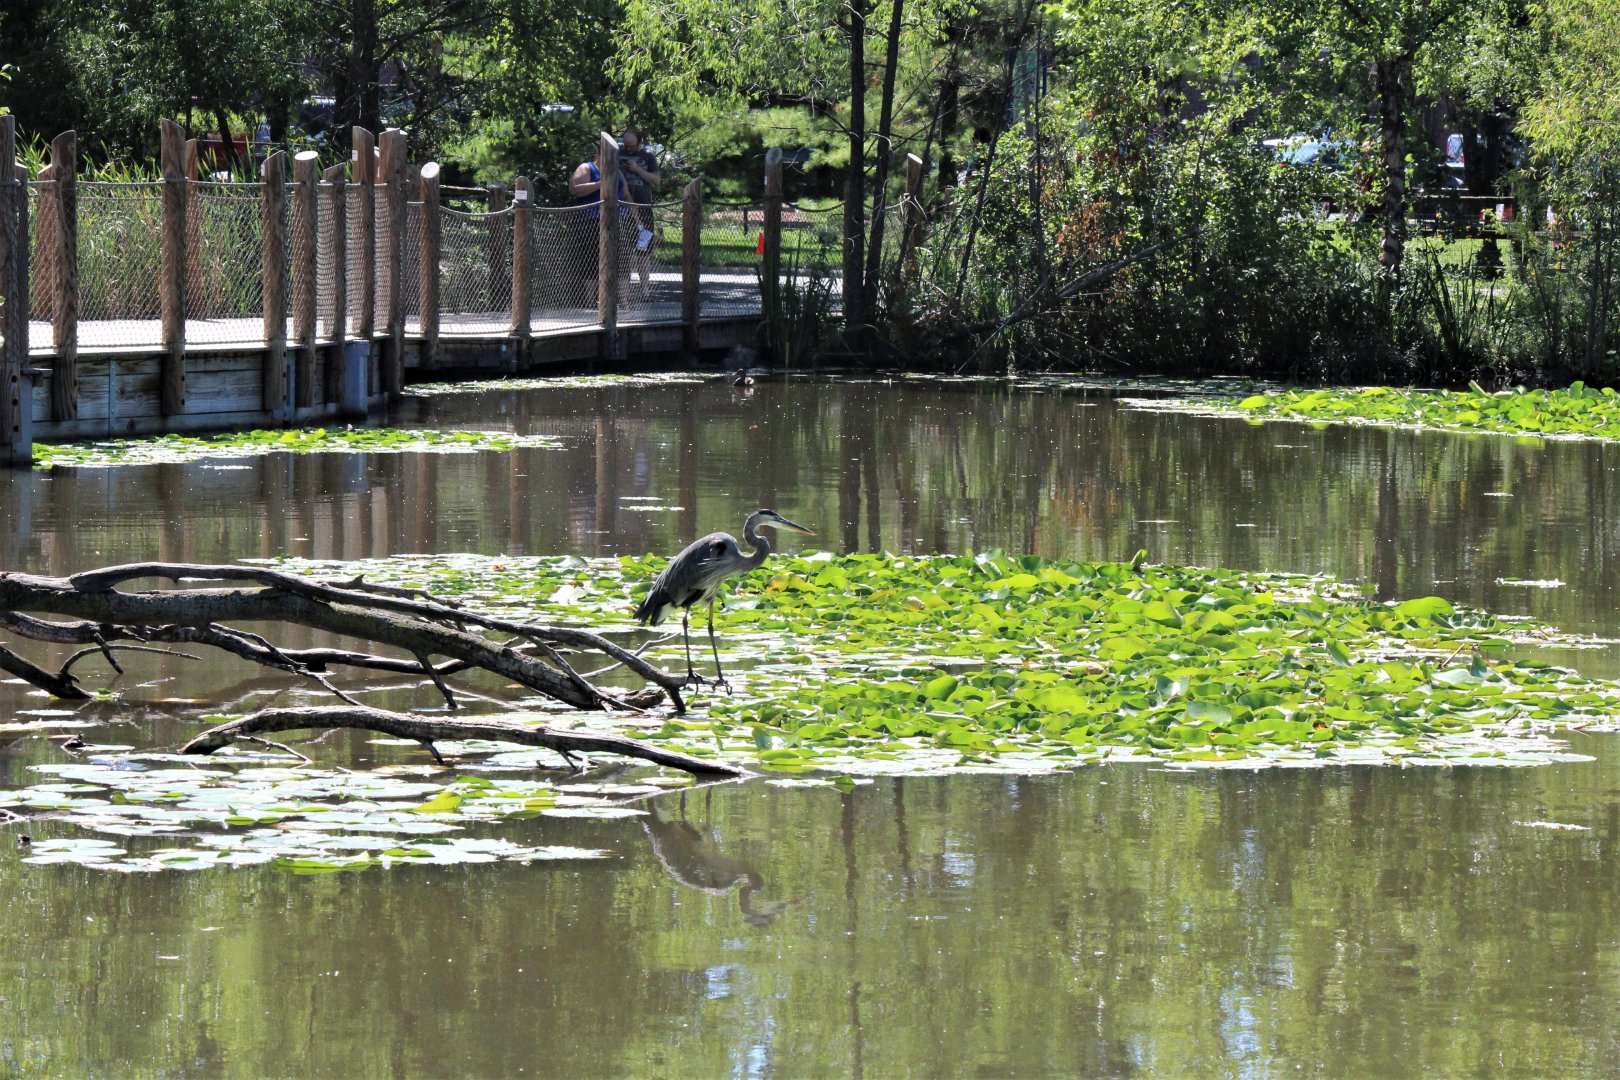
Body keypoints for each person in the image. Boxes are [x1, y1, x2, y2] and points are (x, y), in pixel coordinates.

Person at [568, 143, 631, 307]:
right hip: (591, 221)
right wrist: (602, 183)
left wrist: (635, 218)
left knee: (621, 260)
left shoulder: (617, 171)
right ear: (598, 152)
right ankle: (591, 301)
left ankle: (623, 301)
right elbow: (576, 189)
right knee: (591, 259)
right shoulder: (586, 168)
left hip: (618, 219)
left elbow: (626, 194)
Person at [620, 126, 662, 297]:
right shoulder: (617, 155)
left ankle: (644, 291)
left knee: (643, 250)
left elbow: (656, 180)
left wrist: (637, 169)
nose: (628, 148)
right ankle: (625, 293)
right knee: (625, 251)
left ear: (639, 142)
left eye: (632, 145)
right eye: (626, 145)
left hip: (644, 210)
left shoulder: (648, 157)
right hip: (623, 210)